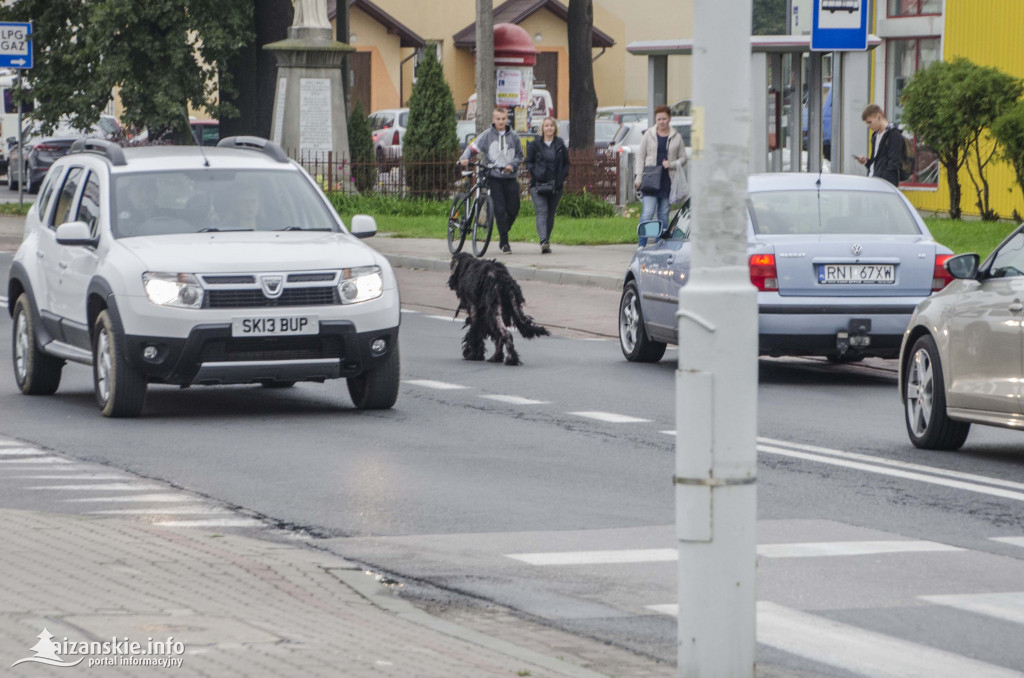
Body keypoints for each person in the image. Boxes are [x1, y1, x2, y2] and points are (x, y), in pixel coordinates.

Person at [461, 107, 523, 254]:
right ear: (493, 120)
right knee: (499, 209)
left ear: (507, 119)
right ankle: (505, 242)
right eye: (498, 119)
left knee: (514, 208)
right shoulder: (487, 135)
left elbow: (519, 156)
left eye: (503, 119)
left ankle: (503, 229)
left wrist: (511, 165)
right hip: (494, 177)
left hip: (510, 177)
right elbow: (472, 148)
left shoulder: (514, 136)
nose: (501, 122)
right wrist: (464, 158)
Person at [634, 105, 687, 232]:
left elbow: (684, 158)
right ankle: (643, 242)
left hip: (667, 180)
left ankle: (660, 243)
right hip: (650, 179)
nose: (661, 122)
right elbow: (640, 156)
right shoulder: (648, 135)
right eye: (659, 119)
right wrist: (638, 177)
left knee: (663, 214)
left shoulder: (676, 137)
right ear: (655, 120)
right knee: (648, 213)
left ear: (669, 119)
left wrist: (672, 164)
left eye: (664, 118)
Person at [525, 116, 569, 254]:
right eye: (546, 125)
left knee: (550, 214)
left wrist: (562, 177)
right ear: (542, 128)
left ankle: (546, 241)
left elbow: (566, 163)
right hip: (538, 185)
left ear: (555, 128)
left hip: (555, 186)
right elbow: (529, 162)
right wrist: (536, 172)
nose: (549, 128)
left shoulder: (560, 144)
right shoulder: (535, 144)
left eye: (551, 125)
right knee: (542, 211)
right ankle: (543, 239)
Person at [854, 104, 902, 187]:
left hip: (884, 184)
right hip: (873, 180)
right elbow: (876, 163)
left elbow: (894, 163)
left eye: (870, 122)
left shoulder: (893, 134)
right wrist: (866, 162)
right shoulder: (875, 136)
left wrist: (882, 180)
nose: (868, 126)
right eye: (867, 123)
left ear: (879, 116)